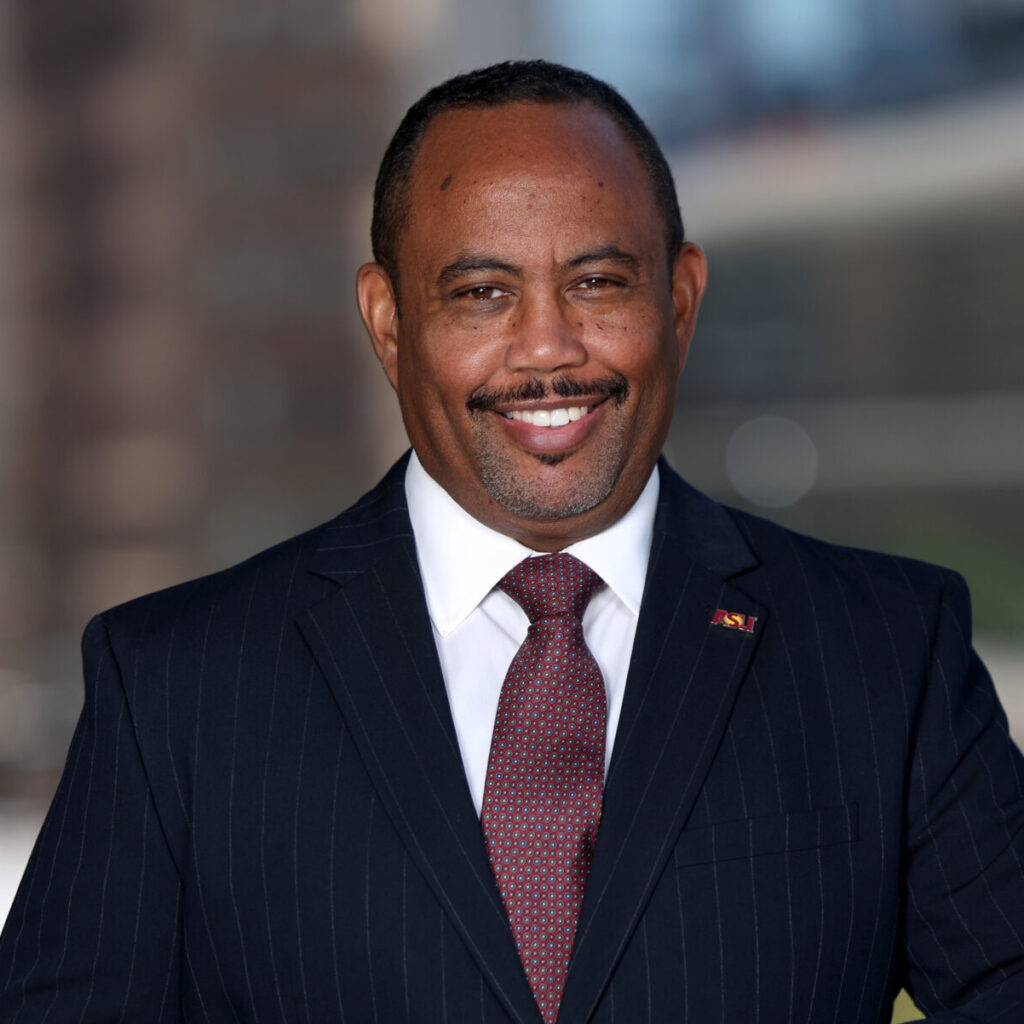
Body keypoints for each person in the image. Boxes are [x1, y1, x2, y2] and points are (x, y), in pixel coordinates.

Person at [2, 59, 1023, 1024]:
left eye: (597, 283)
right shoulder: (177, 688)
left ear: (679, 298)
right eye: (481, 292)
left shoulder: (886, 654)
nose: (546, 348)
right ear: (389, 321)